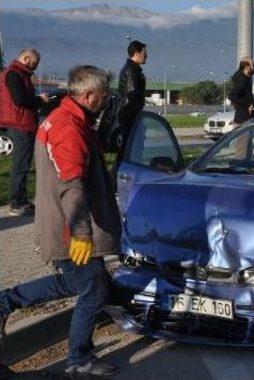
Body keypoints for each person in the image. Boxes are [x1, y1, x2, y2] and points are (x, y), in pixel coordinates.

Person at [0, 66, 121, 378]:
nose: (106, 100)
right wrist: (81, 234)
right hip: (70, 232)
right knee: (94, 291)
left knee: (74, 283)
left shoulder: (69, 119)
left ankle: (7, 301)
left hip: (64, 227)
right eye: (104, 96)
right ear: (89, 95)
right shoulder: (69, 127)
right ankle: (79, 358)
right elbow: (72, 187)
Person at [0, 48, 50, 216]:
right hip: (20, 124)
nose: (35, 67)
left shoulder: (18, 74)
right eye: (34, 63)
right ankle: (17, 203)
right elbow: (19, 99)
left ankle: (21, 199)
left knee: (23, 164)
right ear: (26, 57)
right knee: (20, 164)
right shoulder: (15, 74)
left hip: (21, 122)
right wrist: (39, 100)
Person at [113, 40, 147, 173]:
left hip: (128, 115)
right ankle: (117, 178)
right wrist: (138, 116)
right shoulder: (132, 70)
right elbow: (133, 95)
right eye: (144, 52)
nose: (147, 56)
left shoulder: (132, 69)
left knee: (128, 150)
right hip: (130, 116)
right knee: (129, 149)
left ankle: (117, 177)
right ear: (137, 53)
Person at [228, 57, 254, 124]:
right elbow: (231, 96)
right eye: (252, 65)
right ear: (247, 67)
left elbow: (246, 97)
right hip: (243, 119)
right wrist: (247, 105)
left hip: (246, 117)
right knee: (244, 135)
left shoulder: (246, 78)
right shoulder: (242, 80)